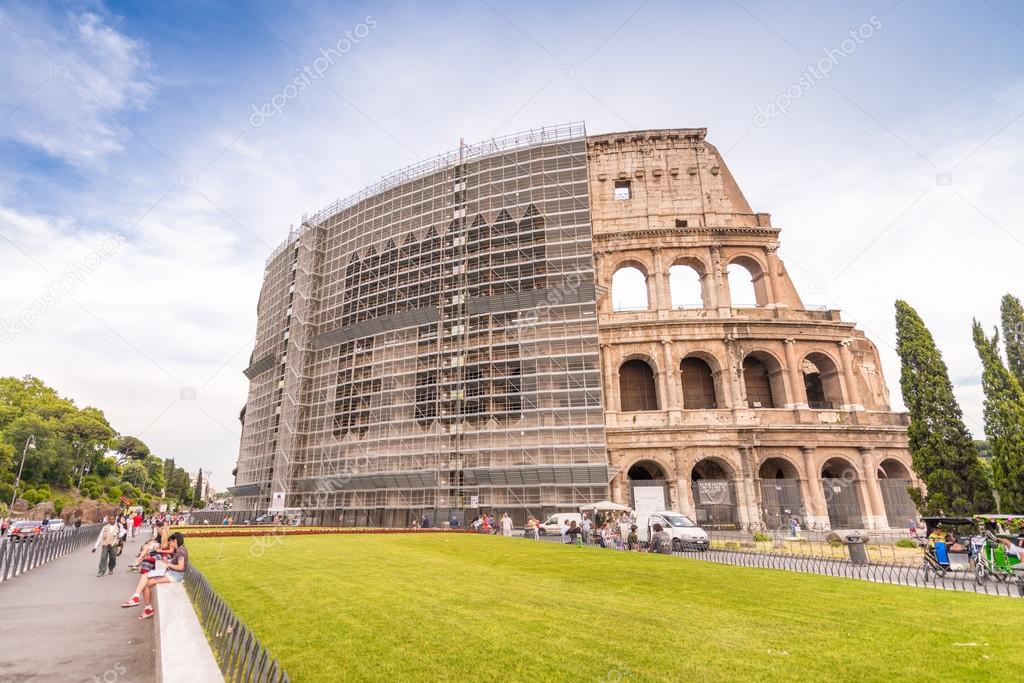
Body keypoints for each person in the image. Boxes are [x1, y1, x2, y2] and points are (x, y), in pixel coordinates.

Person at [121, 532, 188, 620]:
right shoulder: (181, 549)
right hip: (172, 573)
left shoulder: (180, 551)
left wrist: (168, 564)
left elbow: (181, 567)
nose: (170, 544)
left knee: (146, 582)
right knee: (145, 579)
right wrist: (168, 562)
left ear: (175, 541)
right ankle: (141, 602)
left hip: (175, 575)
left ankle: (142, 603)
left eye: (170, 542)